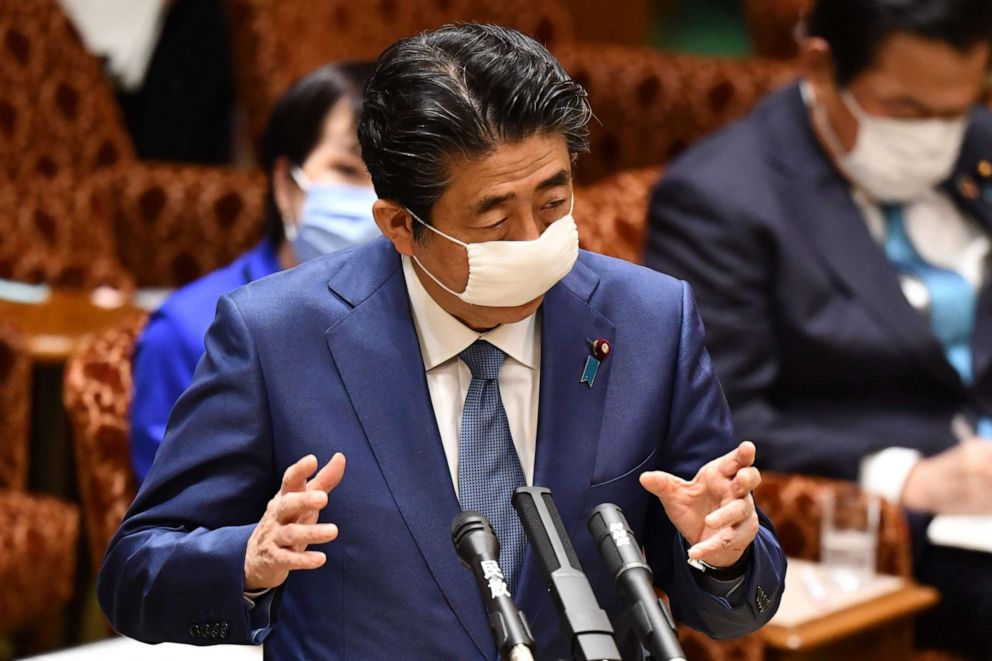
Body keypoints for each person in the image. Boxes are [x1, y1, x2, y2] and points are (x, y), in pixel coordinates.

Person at [100, 25, 785, 659]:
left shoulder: (649, 319)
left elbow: (730, 601)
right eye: (493, 218)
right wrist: (245, 562)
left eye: (553, 203)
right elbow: (135, 574)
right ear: (400, 225)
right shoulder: (276, 335)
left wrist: (722, 554)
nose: (534, 241)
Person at [645, 1, 992, 657]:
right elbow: (722, 420)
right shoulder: (722, 199)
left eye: (962, 105)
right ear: (822, 67)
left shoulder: (975, 145)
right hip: (906, 525)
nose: (944, 134)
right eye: (910, 110)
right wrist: (903, 477)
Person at [129, 61, 378, 482]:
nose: (373, 201)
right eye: (348, 171)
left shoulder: (417, 321)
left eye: (393, 182)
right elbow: (170, 531)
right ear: (285, 183)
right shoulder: (189, 332)